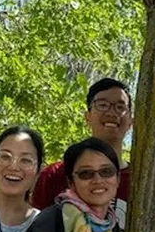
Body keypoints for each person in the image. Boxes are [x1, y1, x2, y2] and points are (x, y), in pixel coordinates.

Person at [29, 78, 133, 211]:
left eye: (120, 107)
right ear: (88, 116)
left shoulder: (142, 180)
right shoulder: (55, 175)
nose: (111, 113)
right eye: (102, 105)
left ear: (131, 122)